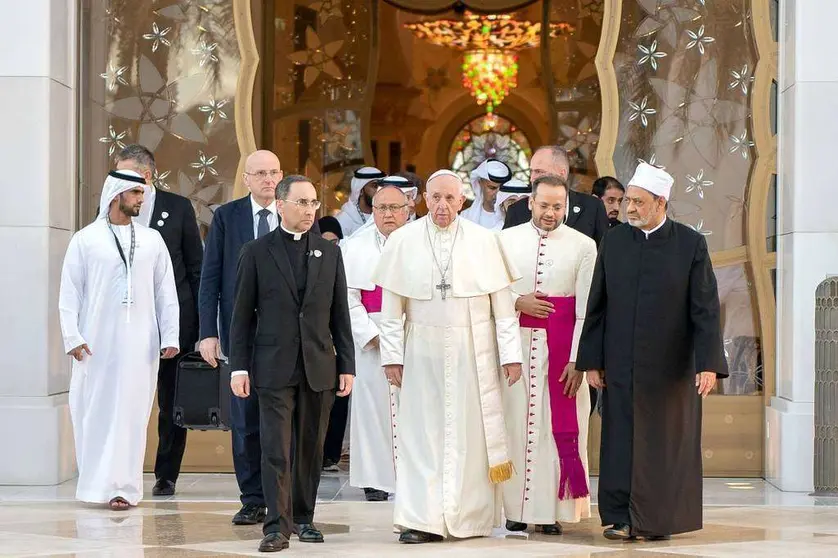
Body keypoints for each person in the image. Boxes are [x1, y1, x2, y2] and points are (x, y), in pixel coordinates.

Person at [576, 163, 728, 541]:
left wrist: (708, 364)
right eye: (628, 200)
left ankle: (657, 521)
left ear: (661, 203)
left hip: (670, 370)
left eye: (638, 202)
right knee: (620, 441)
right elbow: (598, 303)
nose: (629, 208)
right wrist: (592, 361)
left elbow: (705, 307)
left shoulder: (690, 244)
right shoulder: (614, 241)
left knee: (662, 445)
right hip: (621, 367)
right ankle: (620, 516)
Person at [372, 170, 523, 544]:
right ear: (422, 199)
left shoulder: (484, 241)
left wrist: (511, 355)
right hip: (421, 351)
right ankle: (421, 519)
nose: (442, 206)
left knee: (469, 435)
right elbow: (391, 309)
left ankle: (469, 518)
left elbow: (503, 307)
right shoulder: (403, 240)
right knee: (421, 437)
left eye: (450, 199)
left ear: (462, 201)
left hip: (474, 352)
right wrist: (392, 356)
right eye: (435, 198)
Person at [228, 174, 355, 553]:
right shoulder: (255, 251)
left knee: (311, 446)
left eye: (314, 202)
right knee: (276, 448)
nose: (309, 209)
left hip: (318, 366)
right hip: (272, 366)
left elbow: (339, 315)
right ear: (280, 205)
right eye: (301, 202)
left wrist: (346, 365)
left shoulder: (330, 252)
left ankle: (304, 518)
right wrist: (239, 367)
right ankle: (275, 526)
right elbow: (241, 316)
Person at [199, 150, 320, 525]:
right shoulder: (227, 217)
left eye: (274, 172)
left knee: (287, 425)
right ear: (246, 179)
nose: (268, 179)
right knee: (246, 419)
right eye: (260, 174)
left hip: (286, 340)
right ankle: (253, 498)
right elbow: (211, 277)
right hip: (240, 333)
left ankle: (286, 501)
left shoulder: (301, 213)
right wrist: (208, 333)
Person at [59, 170, 180, 510]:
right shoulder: (85, 240)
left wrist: (170, 334)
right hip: (94, 343)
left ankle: (123, 488)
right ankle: (97, 485)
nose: (142, 200)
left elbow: (165, 291)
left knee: (131, 414)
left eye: (143, 194)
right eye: (136, 194)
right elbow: (70, 293)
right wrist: (73, 337)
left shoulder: (152, 240)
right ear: (116, 195)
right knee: (95, 411)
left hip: (140, 344)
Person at [499, 174, 597, 534]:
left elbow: (586, 309)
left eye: (558, 206)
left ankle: (553, 510)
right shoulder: (504, 240)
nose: (551, 213)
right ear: (530, 203)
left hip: (562, 353)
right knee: (516, 427)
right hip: (517, 350)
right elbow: (491, 296)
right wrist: (517, 300)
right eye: (544, 206)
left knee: (553, 431)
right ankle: (515, 508)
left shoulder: (584, 246)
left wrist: (577, 360)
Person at [113, 144, 203, 497]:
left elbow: (196, 267)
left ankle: (166, 474)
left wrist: (198, 327)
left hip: (172, 322)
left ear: (147, 175)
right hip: (127, 322)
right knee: (127, 398)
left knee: (170, 402)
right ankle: (122, 471)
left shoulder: (178, 208)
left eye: (126, 173)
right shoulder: (113, 209)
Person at [343, 184, 411, 502]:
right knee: (372, 409)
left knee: (413, 410)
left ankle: (411, 475)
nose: (388, 214)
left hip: (414, 335)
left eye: (395, 208)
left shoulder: (421, 244)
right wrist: (371, 334)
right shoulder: (354, 247)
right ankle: (375, 479)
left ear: (407, 210)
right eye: (381, 208)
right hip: (371, 338)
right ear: (372, 210)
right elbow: (347, 296)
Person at [503, 146, 609, 246]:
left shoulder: (593, 207)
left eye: (539, 171)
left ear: (561, 173)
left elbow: (604, 254)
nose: (532, 178)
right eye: (532, 171)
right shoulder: (517, 210)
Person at [461, 158, 512, 228]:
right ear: (480, 184)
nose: (498, 194)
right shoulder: (465, 217)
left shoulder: (514, 217)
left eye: (502, 189)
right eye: (492, 188)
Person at [336, 166, 385, 237]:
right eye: (375, 186)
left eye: (381, 186)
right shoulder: (344, 220)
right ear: (361, 191)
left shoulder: (385, 215)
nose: (379, 190)